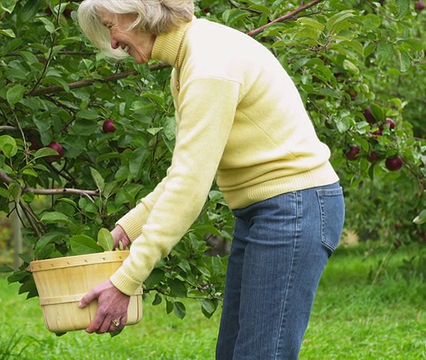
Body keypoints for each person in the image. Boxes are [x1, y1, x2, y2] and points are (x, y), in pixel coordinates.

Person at [76, 1, 345, 359]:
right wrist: (128, 228)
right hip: (272, 209)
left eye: (111, 26)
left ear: (138, 12)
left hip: (293, 208)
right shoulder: (193, 55)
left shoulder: (207, 65)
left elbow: (190, 185)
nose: (112, 43)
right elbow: (185, 170)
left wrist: (126, 281)